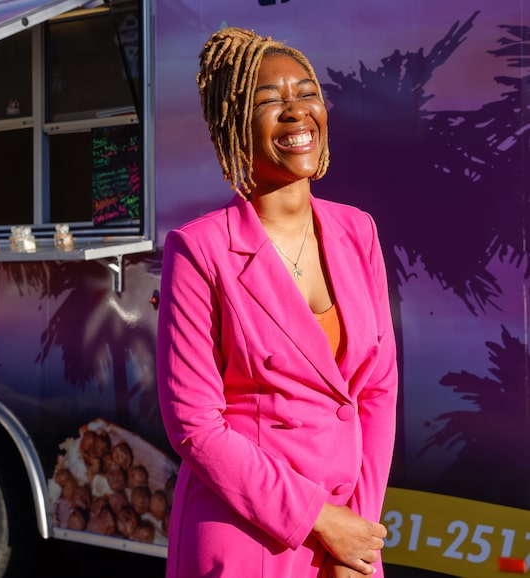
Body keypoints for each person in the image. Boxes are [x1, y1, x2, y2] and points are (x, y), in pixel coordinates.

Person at [156, 27, 398, 578]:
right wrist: (319, 519)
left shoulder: (357, 230)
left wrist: (354, 533)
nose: (296, 112)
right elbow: (194, 424)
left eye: (306, 93)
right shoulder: (198, 249)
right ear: (234, 127)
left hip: (347, 532)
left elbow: (377, 390)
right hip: (250, 535)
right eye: (269, 101)